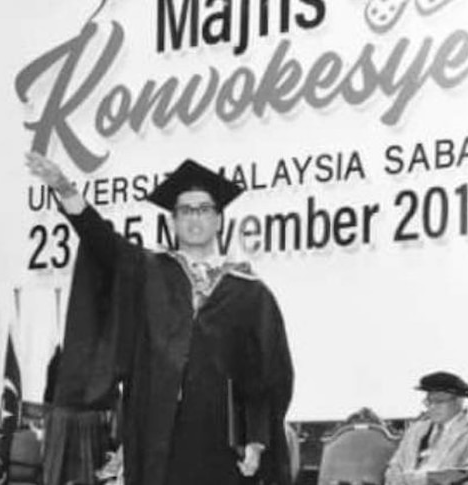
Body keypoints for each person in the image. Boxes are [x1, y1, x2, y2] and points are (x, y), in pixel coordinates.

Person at [26, 152, 294, 485]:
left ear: (219, 220)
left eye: (204, 209)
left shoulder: (251, 293)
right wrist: (64, 188)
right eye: (184, 210)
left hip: (221, 441)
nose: (194, 218)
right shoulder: (149, 271)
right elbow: (102, 241)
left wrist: (255, 437)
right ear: (172, 221)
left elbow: (267, 375)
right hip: (154, 432)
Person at [385, 371, 468, 485]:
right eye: (429, 402)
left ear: (459, 401)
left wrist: (418, 479)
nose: (432, 407)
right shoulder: (416, 430)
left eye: (439, 401)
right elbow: (392, 473)